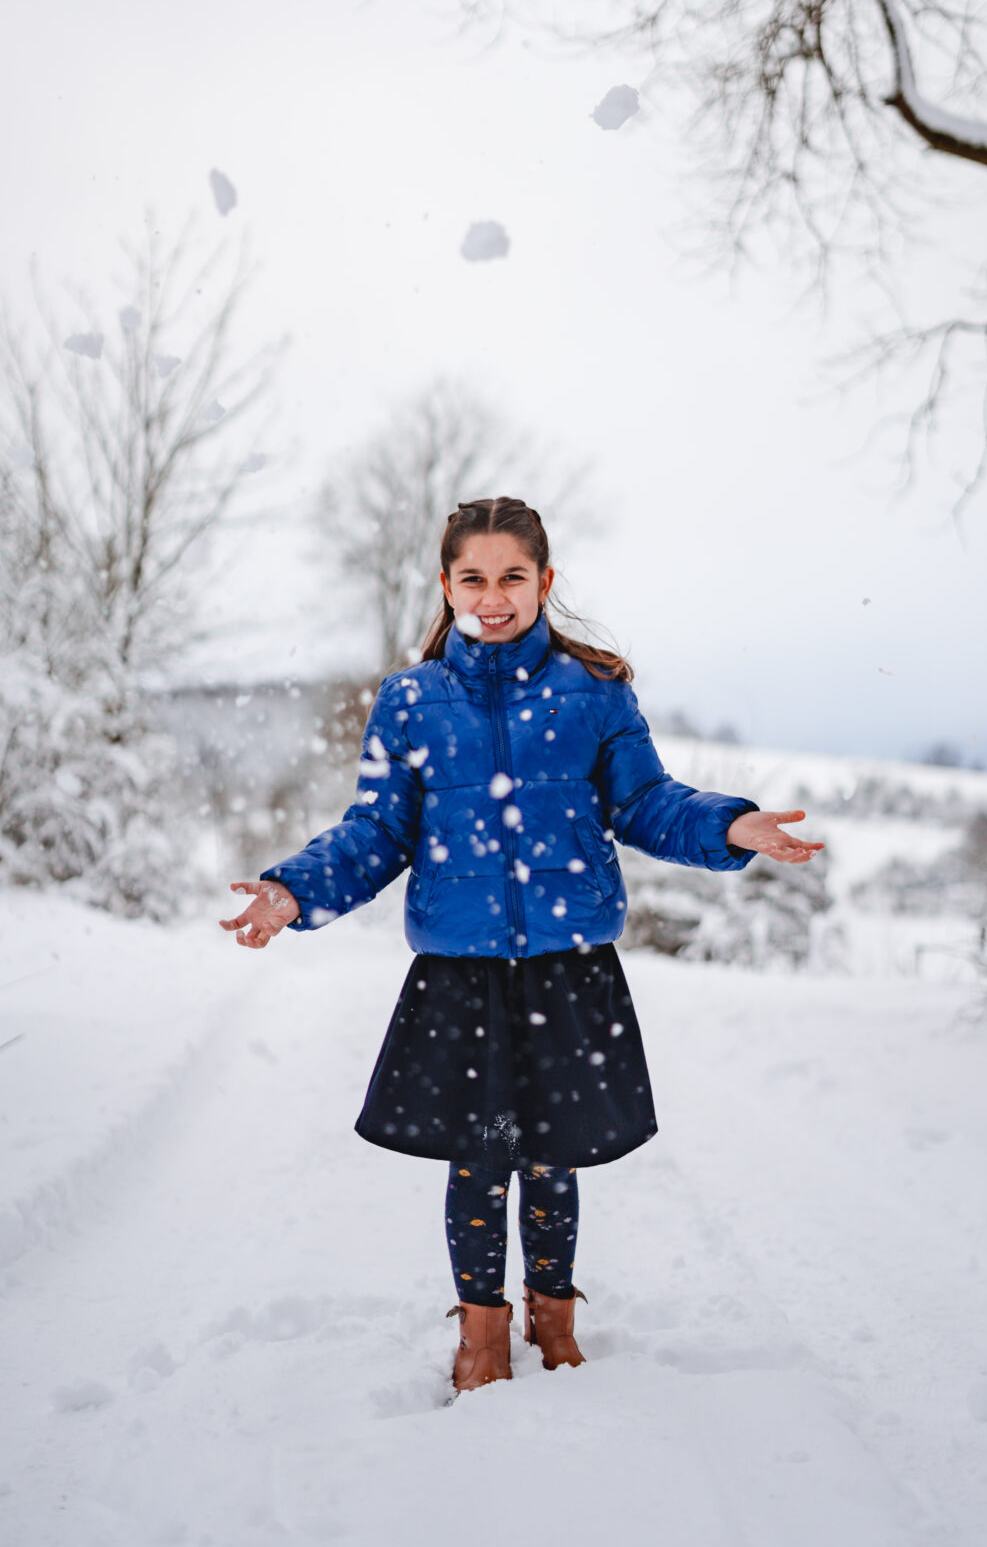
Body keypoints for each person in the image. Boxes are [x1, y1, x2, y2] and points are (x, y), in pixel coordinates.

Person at [218, 496, 824, 1395]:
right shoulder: (412, 701)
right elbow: (378, 831)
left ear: (544, 582)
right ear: (446, 584)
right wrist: (294, 890)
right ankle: (481, 1331)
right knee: (480, 1153)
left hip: (567, 964)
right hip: (462, 972)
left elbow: (645, 803)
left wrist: (730, 827)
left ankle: (554, 1315)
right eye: (474, 578)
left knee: (551, 1149)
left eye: (511, 577)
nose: (492, 597)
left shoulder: (593, 691)